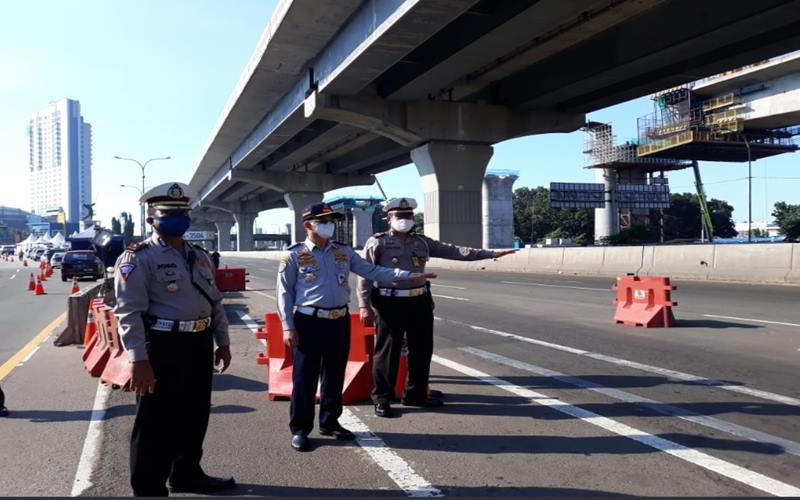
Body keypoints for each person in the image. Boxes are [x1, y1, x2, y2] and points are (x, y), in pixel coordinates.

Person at [277, 202, 435, 452]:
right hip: (308, 322)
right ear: (308, 225)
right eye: (324, 221)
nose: (330, 225)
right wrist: (288, 327)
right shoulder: (294, 255)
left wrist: (407, 276)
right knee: (305, 378)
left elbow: (371, 270)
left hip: (339, 321)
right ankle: (300, 429)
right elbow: (284, 294)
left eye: (332, 220)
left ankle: (330, 421)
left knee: (334, 374)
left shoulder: (343, 252)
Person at [113, 182, 235, 496]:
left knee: (195, 413)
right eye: (169, 213)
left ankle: (187, 474)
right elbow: (128, 312)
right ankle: (148, 487)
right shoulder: (138, 258)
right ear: (152, 218)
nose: (177, 218)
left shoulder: (199, 255)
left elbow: (215, 300)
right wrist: (138, 359)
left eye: (182, 212)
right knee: (155, 420)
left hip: (198, 342)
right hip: (162, 344)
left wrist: (222, 341)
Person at [358, 197, 516, 418]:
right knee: (387, 353)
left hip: (419, 301)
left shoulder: (421, 242)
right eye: (399, 216)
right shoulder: (378, 242)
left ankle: (416, 395)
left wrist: (490, 254)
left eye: (408, 216)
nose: (404, 220)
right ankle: (382, 399)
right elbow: (365, 275)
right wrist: (364, 305)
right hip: (389, 302)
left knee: (422, 350)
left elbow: (456, 251)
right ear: (389, 219)